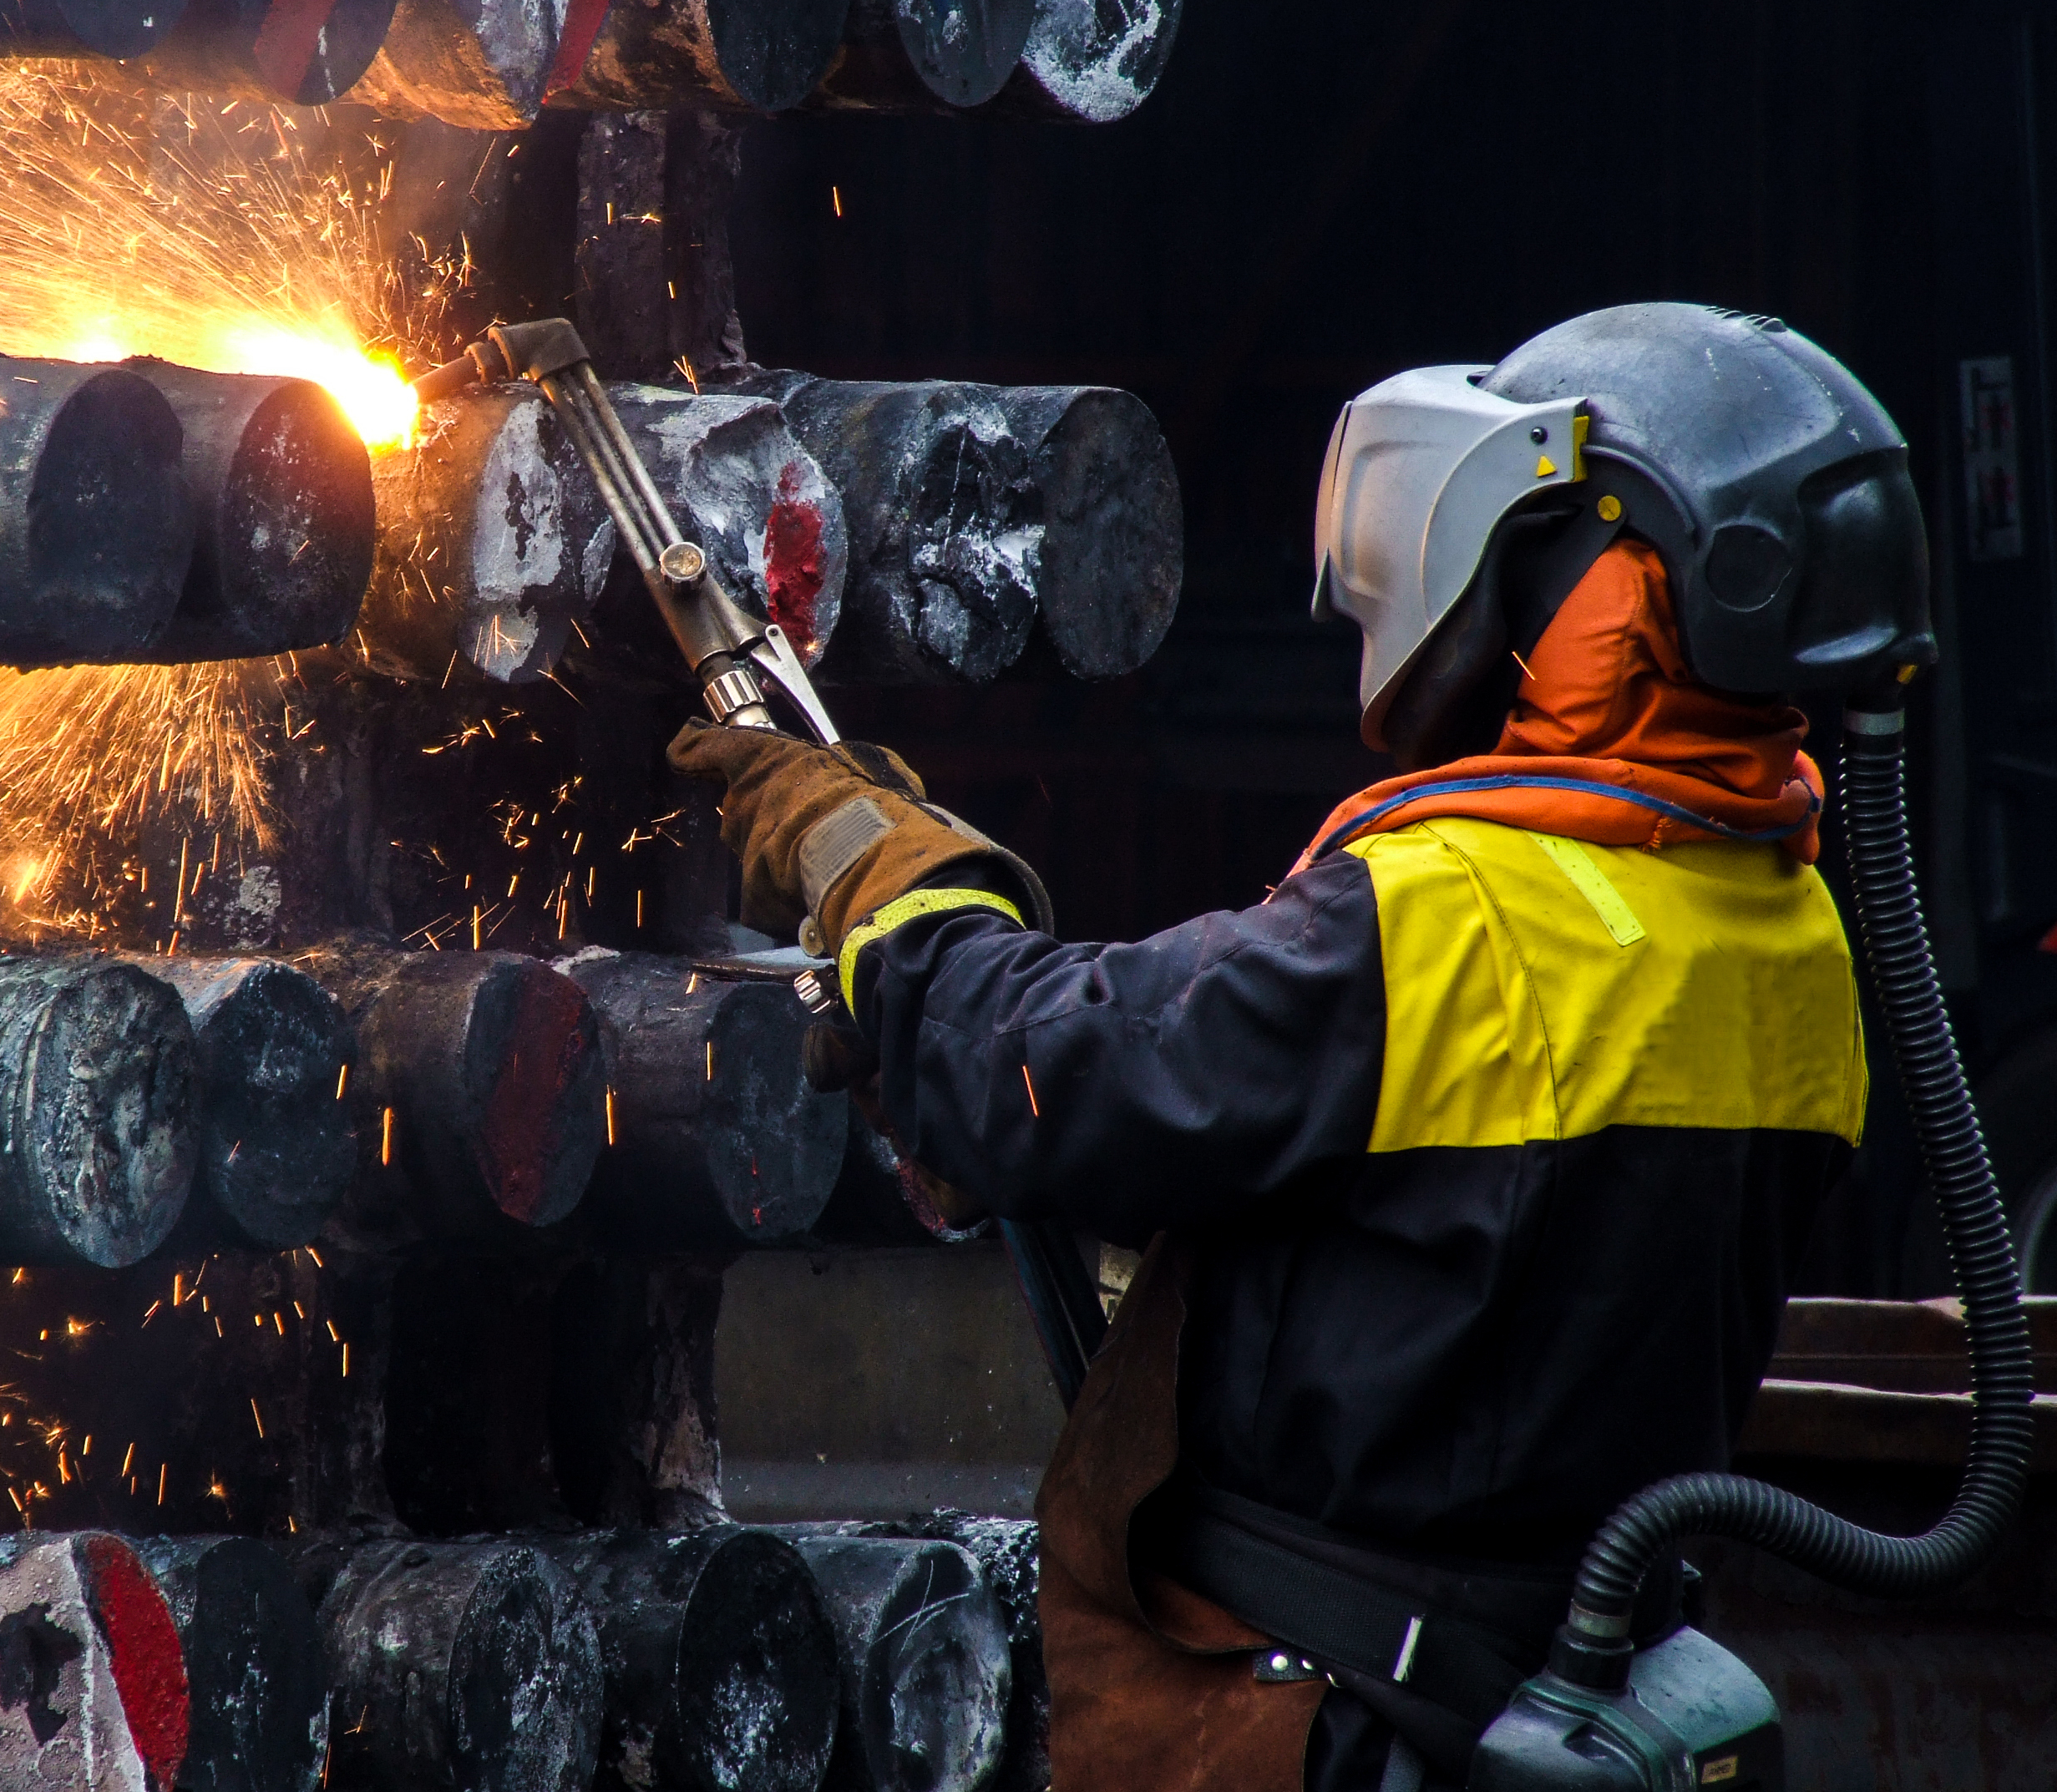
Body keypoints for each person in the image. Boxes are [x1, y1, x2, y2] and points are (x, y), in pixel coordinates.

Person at [669, 303, 1932, 1792]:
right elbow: (1431, 1220)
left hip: (1324, 1720)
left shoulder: (1450, 923)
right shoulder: (1795, 942)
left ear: (1588, 575)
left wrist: (884, 872)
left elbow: (1044, 1078)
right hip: (1551, 1690)